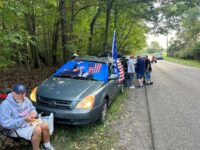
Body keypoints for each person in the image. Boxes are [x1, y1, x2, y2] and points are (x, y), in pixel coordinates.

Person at [0, 84, 54, 150]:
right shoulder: (5, 105)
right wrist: (23, 119)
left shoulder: (25, 99)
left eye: (23, 93)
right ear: (13, 93)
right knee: (37, 130)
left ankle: (47, 146)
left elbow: (32, 109)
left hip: (28, 122)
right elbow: (6, 124)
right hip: (15, 128)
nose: (20, 96)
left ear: (25, 93)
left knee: (45, 125)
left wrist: (34, 113)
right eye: (18, 93)